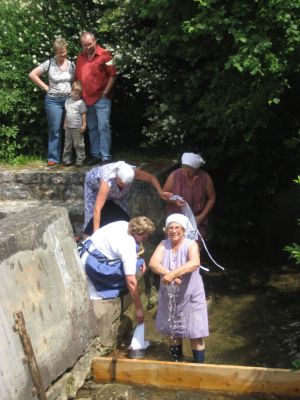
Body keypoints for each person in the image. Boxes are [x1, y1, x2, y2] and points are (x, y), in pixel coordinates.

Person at [149, 213, 209, 363]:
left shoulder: (191, 244)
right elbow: (153, 263)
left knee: (195, 333)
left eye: (177, 228)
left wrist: (174, 274)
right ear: (166, 230)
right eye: (171, 228)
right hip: (170, 294)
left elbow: (194, 263)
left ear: (183, 230)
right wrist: (169, 275)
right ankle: (176, 363)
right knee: (173, 331)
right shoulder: (163, 244)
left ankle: (199, 367)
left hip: (191, 294)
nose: (174, 231)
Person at [80, 217, 155, 323]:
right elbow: (131, 282)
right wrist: (139, 308)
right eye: (144, 238)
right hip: (93, 265)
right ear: (137, 233)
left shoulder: (123, 223)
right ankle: (104, 286)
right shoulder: (127, 246)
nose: (145, 240)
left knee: (137, 261)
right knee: (133, 270)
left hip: (85, 252)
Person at [83, 161, 170, 236]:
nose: (124, 186)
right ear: (117, 177)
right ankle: (87, 239)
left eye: (126, 184)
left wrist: (160, 191)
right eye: (121, 183)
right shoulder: (107, 180)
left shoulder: (131, 172)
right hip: (94, 187)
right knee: (91, 221)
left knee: (124, 215)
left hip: (116, 193)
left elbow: (151, 178)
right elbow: (97, 209)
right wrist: (96, 235)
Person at [29, 37, 75, 167]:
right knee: (55, 129)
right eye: (60, 52)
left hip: (69, 101)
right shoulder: (49, 63)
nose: (63, 54)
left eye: (64, 51)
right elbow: (32, 74)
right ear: (55, 51)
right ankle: (53, 158)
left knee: (70, 129)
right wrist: (45, 87)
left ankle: (67, 158)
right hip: (53, 101)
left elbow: (76, 80)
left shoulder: (72, 64)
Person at [75, 31, 117, 165]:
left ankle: (105, 156)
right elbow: (78, 78)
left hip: (101, 97)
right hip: (86, 98)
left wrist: (106, 92)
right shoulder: (80, 58)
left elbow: (113, 74)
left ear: (94, 41)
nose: (87, 47)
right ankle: (95, 154)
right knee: (92, 127)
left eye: (89, 44)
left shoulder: (105, 54)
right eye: (84, 45)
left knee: (103, 126)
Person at [163, 152, 216, 240]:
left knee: (194, 246)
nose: (187, 174)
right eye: (184, 170)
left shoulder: (205, 178)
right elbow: (164, 193)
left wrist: (201, 217)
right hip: (176, 221)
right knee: (174, 245)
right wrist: (173, 201)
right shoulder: (175, 175)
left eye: (190, 171)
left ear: (197, 170)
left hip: (196, 220)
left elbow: (212, 198)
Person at [62, 81, 87, 167]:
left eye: (79, 94)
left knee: (79, 144)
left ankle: (80, 160)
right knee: (67, 144)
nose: (77, 95)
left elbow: (84, 114)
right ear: (71, 92)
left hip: (77, 127)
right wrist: (65, 123)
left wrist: (84, 125)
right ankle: (66, 159)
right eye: (75, 93)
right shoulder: (67, 101)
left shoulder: (81, 103)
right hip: (68, 127)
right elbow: (67, 113)